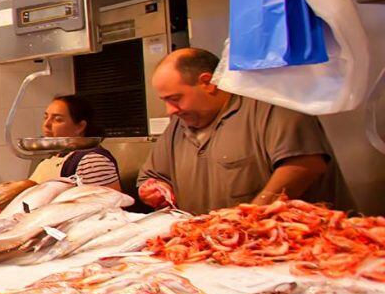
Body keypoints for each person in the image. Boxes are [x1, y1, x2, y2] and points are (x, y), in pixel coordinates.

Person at [138, 47, 344, 214]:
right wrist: (153, 188)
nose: (169, 110)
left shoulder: (269, 105)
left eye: (175, 98)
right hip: (213, 251)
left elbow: (305, 164)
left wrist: (252, 216)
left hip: (294, 248)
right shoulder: (178, 125)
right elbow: (152, 176)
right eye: (164, 100)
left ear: (208, 83)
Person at [31, 95, 120, 187]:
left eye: (57, 119)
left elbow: (104, 201)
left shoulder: (91, 161)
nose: (46, 124)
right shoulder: (57, 155)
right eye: (46, 117)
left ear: (80, 126)